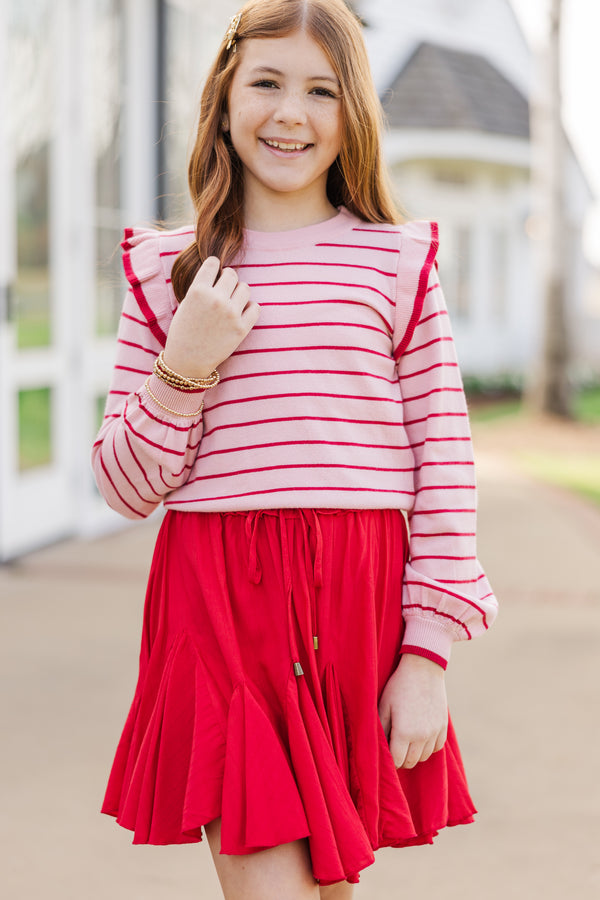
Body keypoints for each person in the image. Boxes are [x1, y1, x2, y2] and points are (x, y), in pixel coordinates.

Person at [92, 1, 498, 898]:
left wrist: (426, 653)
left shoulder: (396, 263)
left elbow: (447, 465)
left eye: (322, 90)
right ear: (225, 99)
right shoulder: (165, 271)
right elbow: (122, 487)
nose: (290, 113)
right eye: (266, 83)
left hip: (358, 606)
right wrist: (184, 364)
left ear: (351, 113)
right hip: (217, 610)